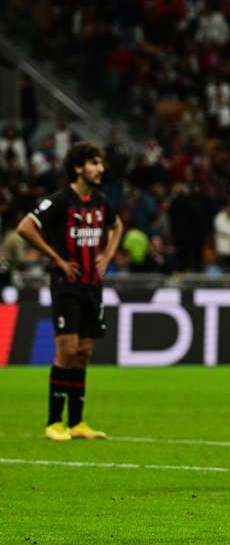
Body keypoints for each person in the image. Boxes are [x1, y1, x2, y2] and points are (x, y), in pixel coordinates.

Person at [17, 141, 124, 441]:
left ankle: (77, 423)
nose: (100, 168)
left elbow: (118, 227)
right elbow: (25, 227)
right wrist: (57, 259)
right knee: (67, 350)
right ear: (78, 167)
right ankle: (54, 422)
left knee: (84, 352)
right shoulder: (61, 200)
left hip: (93, 286)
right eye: (93, 163)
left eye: (101, 163)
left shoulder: (101, 201)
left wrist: (107, 256)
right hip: (67, 286)